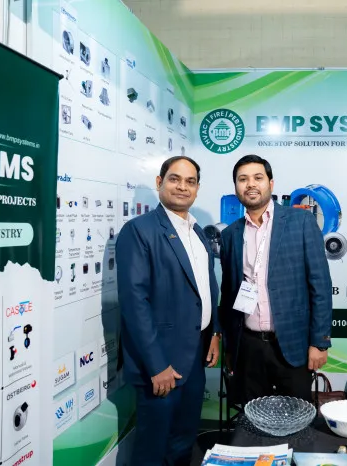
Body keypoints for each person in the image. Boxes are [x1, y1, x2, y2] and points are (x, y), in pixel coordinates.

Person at [116, 156, 221, 466]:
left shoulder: (197, 231)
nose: (182, 187)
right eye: (175, 179)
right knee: (152, 452)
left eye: (190, 182)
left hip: (195, 358)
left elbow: (206, 288)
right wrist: (157, 365)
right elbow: (135, 303)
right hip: (162, 365)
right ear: (159, 182)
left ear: (197, 189)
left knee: (182, 445)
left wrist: (214, 332)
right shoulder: (139, 230)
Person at [219, 154, 332, 404]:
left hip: (292, 345)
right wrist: (230, 346)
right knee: (253, 418)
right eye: (243, 179)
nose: (250, 184)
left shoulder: (301, 222)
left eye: (258, 177)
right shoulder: (230, 235)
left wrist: (320, 343)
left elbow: (321, 286)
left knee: (295, 417)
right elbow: (228, 295)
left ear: (271, 183)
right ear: (236, 187)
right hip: (247, 348)